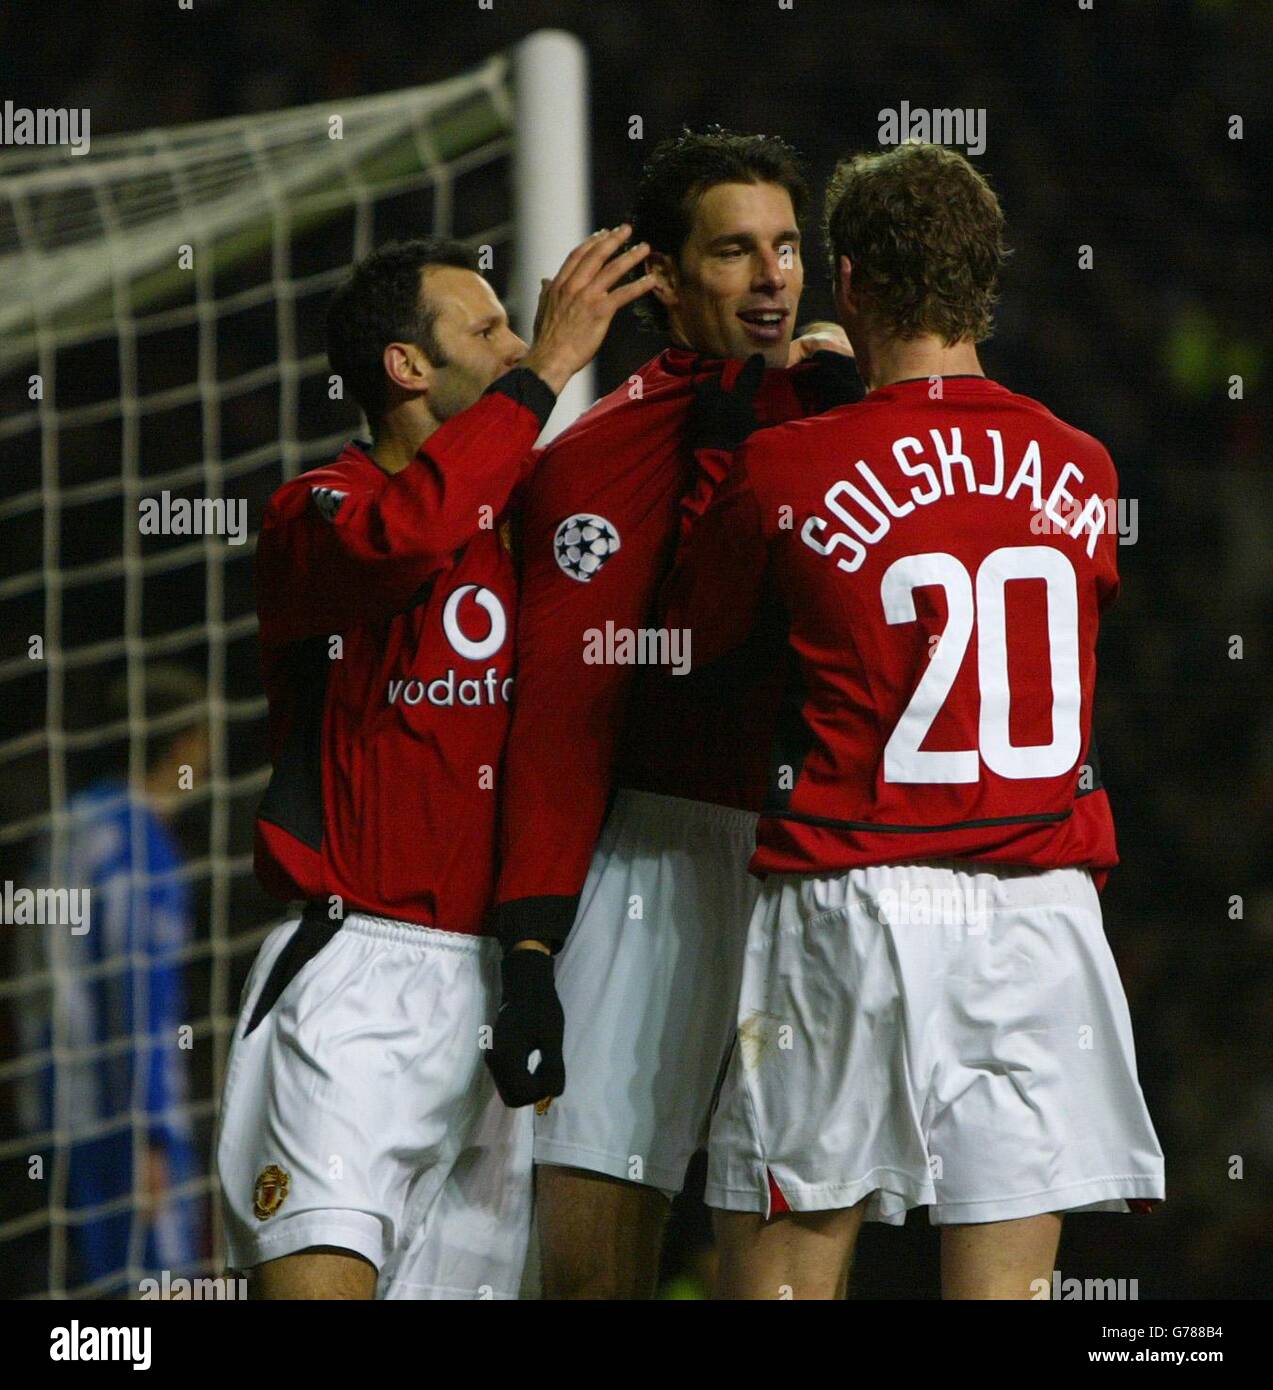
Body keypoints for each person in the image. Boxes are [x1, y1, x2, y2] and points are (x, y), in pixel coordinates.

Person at [660, 142, 1165, 1299]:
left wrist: (772, 408)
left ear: (847, 282)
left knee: (783, 1279)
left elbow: (692, 637)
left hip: (855, 898)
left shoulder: (785, 464)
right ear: (986, 279)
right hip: (1039, 911)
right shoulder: (1083, 468)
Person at [215, 229, 651, 1300]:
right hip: (355, 971)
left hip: (496, 985)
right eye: (487, 325)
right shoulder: (318, 513)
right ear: (407, 368)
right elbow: (402, 541)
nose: (516, 341)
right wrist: (545, 369)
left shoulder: (526, 530)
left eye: (517, 326)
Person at [492, 128, 862, 1298]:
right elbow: (564, 717)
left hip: (812, 862)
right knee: (595, 1257)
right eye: (734, 251)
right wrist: (533, 944)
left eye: (787, 247)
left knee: (791, 1249)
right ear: (667, 276)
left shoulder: (850, 419)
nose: (770, 278)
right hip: (652, 859)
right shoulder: (594, 465)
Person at [17, 665, 207, 1295]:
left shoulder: (67, 825)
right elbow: (137, 996)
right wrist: (151, 1134)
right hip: (121, 1116)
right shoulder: (144, 848)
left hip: (50, 1104)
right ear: (183, 743)